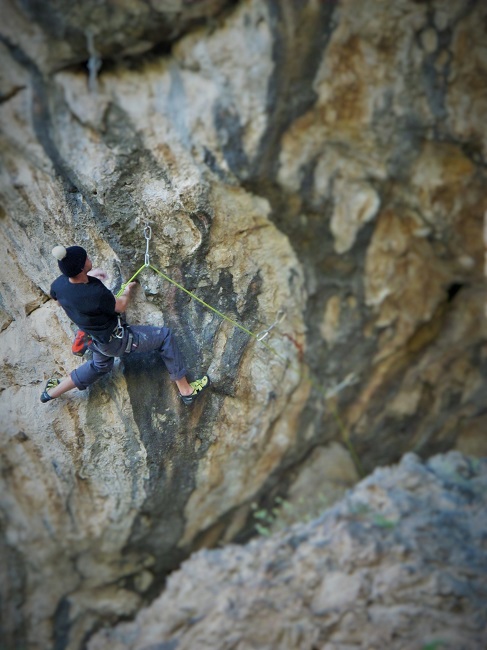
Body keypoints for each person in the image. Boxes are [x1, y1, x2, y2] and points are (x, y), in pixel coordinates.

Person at [40, 245, 210, 405]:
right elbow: (120, 306)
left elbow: (60, 301)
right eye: (86, 258)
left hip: (93, 339)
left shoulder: (60, 285)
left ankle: (52, 392)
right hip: (115, 341)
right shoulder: (95, 293)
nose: (89, 258)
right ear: (81, 267)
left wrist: (87, 279)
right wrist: (127, 290)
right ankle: (186, 390)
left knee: (98, 366)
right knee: (165, 336)